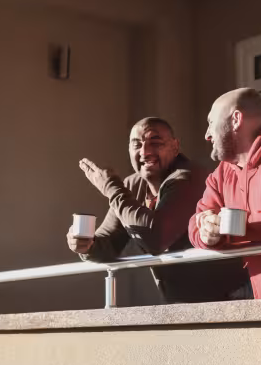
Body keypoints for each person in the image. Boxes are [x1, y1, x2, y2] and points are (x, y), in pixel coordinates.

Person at [67, 117, 250, 303]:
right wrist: (85, 244)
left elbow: (156, 238)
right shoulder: (131, 185)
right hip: (183, 302)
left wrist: (112, 189)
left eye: (155, 143)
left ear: (175, 147)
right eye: (136, 145)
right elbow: (108, 244)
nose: (145, 152)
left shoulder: (188, 178)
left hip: (230, 299)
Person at [189, 87, 261, 299]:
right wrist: (207, 233)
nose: (206, 134)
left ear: (235, 119)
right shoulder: (222, 173)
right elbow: (197, 221)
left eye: (211, 122)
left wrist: (228, 226)